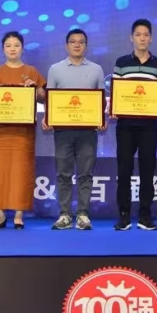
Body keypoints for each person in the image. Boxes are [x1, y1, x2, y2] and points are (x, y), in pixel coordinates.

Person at [0, 31, 46, 229]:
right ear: (3, 49)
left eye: (16, 45)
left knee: (21, 171)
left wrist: (35, 89)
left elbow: (43, 96)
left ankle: (19, 215)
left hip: (22, 132)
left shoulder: (31, 71)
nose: (12, 49)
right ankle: (0, 214)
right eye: (8, 45)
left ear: (22, 49)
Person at [46, 29, 106, 231]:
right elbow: (51, 100)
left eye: (81, 42)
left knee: (85, 174)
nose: (77, 45)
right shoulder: (55, 69)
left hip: (88, 131)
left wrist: (101, 119)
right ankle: (64, 214)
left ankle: (83, 215)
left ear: (86, 46)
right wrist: (49, 118)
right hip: (63, 131)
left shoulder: (97, 69)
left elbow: (101, 101)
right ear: (66, 46)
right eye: (73, 41)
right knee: (63, 173)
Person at [112, 19, 157, 232]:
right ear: (131, 37)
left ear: (151, 38)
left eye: (146, 35)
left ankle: (145, 216)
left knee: (147, 171)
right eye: (138, 35)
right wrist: (115, 107)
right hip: (125, 125)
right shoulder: (121, 62)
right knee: (124, 171)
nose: (142, 38)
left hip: (149, 126)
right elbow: (116, 92)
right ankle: (124, 216)